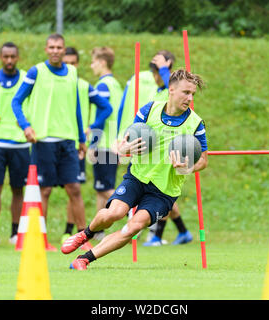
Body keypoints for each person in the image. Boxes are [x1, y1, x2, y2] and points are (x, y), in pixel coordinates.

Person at [61, 69, 208, 270]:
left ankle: (84, 259)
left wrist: (188, 167)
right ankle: (86, 233)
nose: (190, 98)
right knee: (113, 214)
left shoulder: (196, 124)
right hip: (137, 177)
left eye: (193, 94)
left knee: (134, 227)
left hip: (164, 191)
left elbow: (203, 161)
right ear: (171, 90)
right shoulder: (148, 111)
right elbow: (125, 143)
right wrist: (124, 148)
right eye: (186, 92)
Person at [12, 34, 88, 250]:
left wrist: (81, 139)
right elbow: (16, 101)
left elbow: (76, 107)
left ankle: (83, 239)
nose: (55, 50)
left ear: (64, 50)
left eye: (59, 47)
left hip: (67, 141)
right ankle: (41, 240)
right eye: (52, 47)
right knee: (44, 190)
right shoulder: (36, 72)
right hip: (43, 140)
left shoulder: (72, 72)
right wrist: (25, 125)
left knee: (74, 188)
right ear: (46, 49)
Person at [118, 50, 194, 246]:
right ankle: (181, 232)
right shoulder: (158, 93)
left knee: (163, 192)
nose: (155, 77)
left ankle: (158, 236)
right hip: (150, 148)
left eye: (158, 73)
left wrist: (163, 68)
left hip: (169, 147)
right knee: (165, 196)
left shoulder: (174, 91)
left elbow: (173, 85)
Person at [61, 47, 113, 244]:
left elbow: (106, 107)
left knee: (73, 187)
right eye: (67, 63)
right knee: (46, 189)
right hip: (53, 142)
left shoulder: (83, 86)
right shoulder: (49, 84)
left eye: (73, 63)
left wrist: (91, 129)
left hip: (76, 146)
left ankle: (71, 231)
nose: (70, 66)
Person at [0, 42, 29, 246]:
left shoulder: (26, 78)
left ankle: (14, 232)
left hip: (20, 143)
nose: (9, 60)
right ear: (0, 57)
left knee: (18, 189)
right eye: (6, 57)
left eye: (13, 56)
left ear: (17, 57)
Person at [88, 47, 123, 234]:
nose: (91, 66)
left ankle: (132, 212)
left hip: (103, 144)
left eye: (93, 62)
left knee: (105, 188)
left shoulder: (102, 86)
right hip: (113, 143)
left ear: (102, 62)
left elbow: (105, 111)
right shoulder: (115, 84)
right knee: (101, 188)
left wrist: (92, 140)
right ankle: (97, 231)